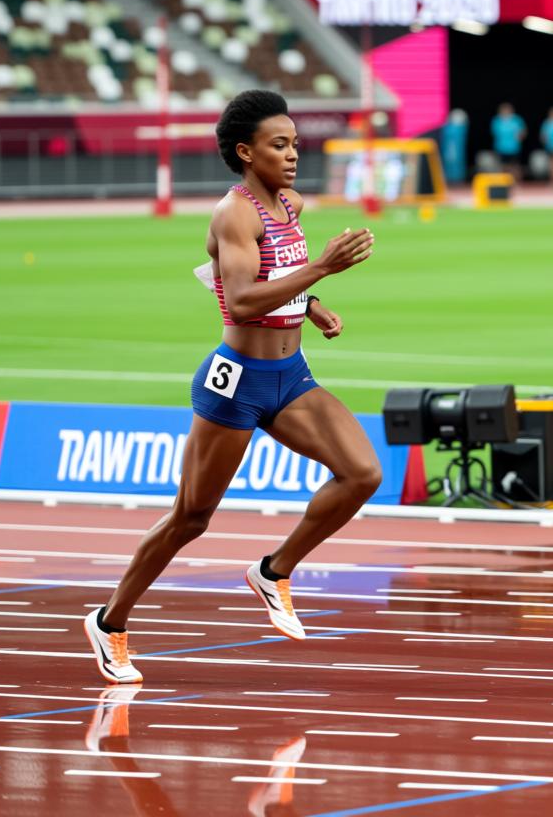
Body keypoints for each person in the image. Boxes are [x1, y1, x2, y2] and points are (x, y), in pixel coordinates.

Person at [83, 89, 381, 684]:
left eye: (295, 143)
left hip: (291, 376)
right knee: (191, 518)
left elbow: (274, 274)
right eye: (279, 145)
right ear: (246, 152)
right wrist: (322, 268)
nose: (293, 155)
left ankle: (273, 571)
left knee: (362, 473)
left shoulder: (290, 203)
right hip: (236, 383)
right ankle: (110, 621)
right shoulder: (234, 214)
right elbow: (241, 299)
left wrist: (311, 303)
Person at [490, 101, 526, 181]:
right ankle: (504, 181)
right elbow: (494, 133)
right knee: (503, 166)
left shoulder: (517, 120)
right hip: (501, 147)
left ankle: (517, 182)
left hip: (514, 147)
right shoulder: (497, 120)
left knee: (515, 166)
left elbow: (523, 132)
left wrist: (520, 136)